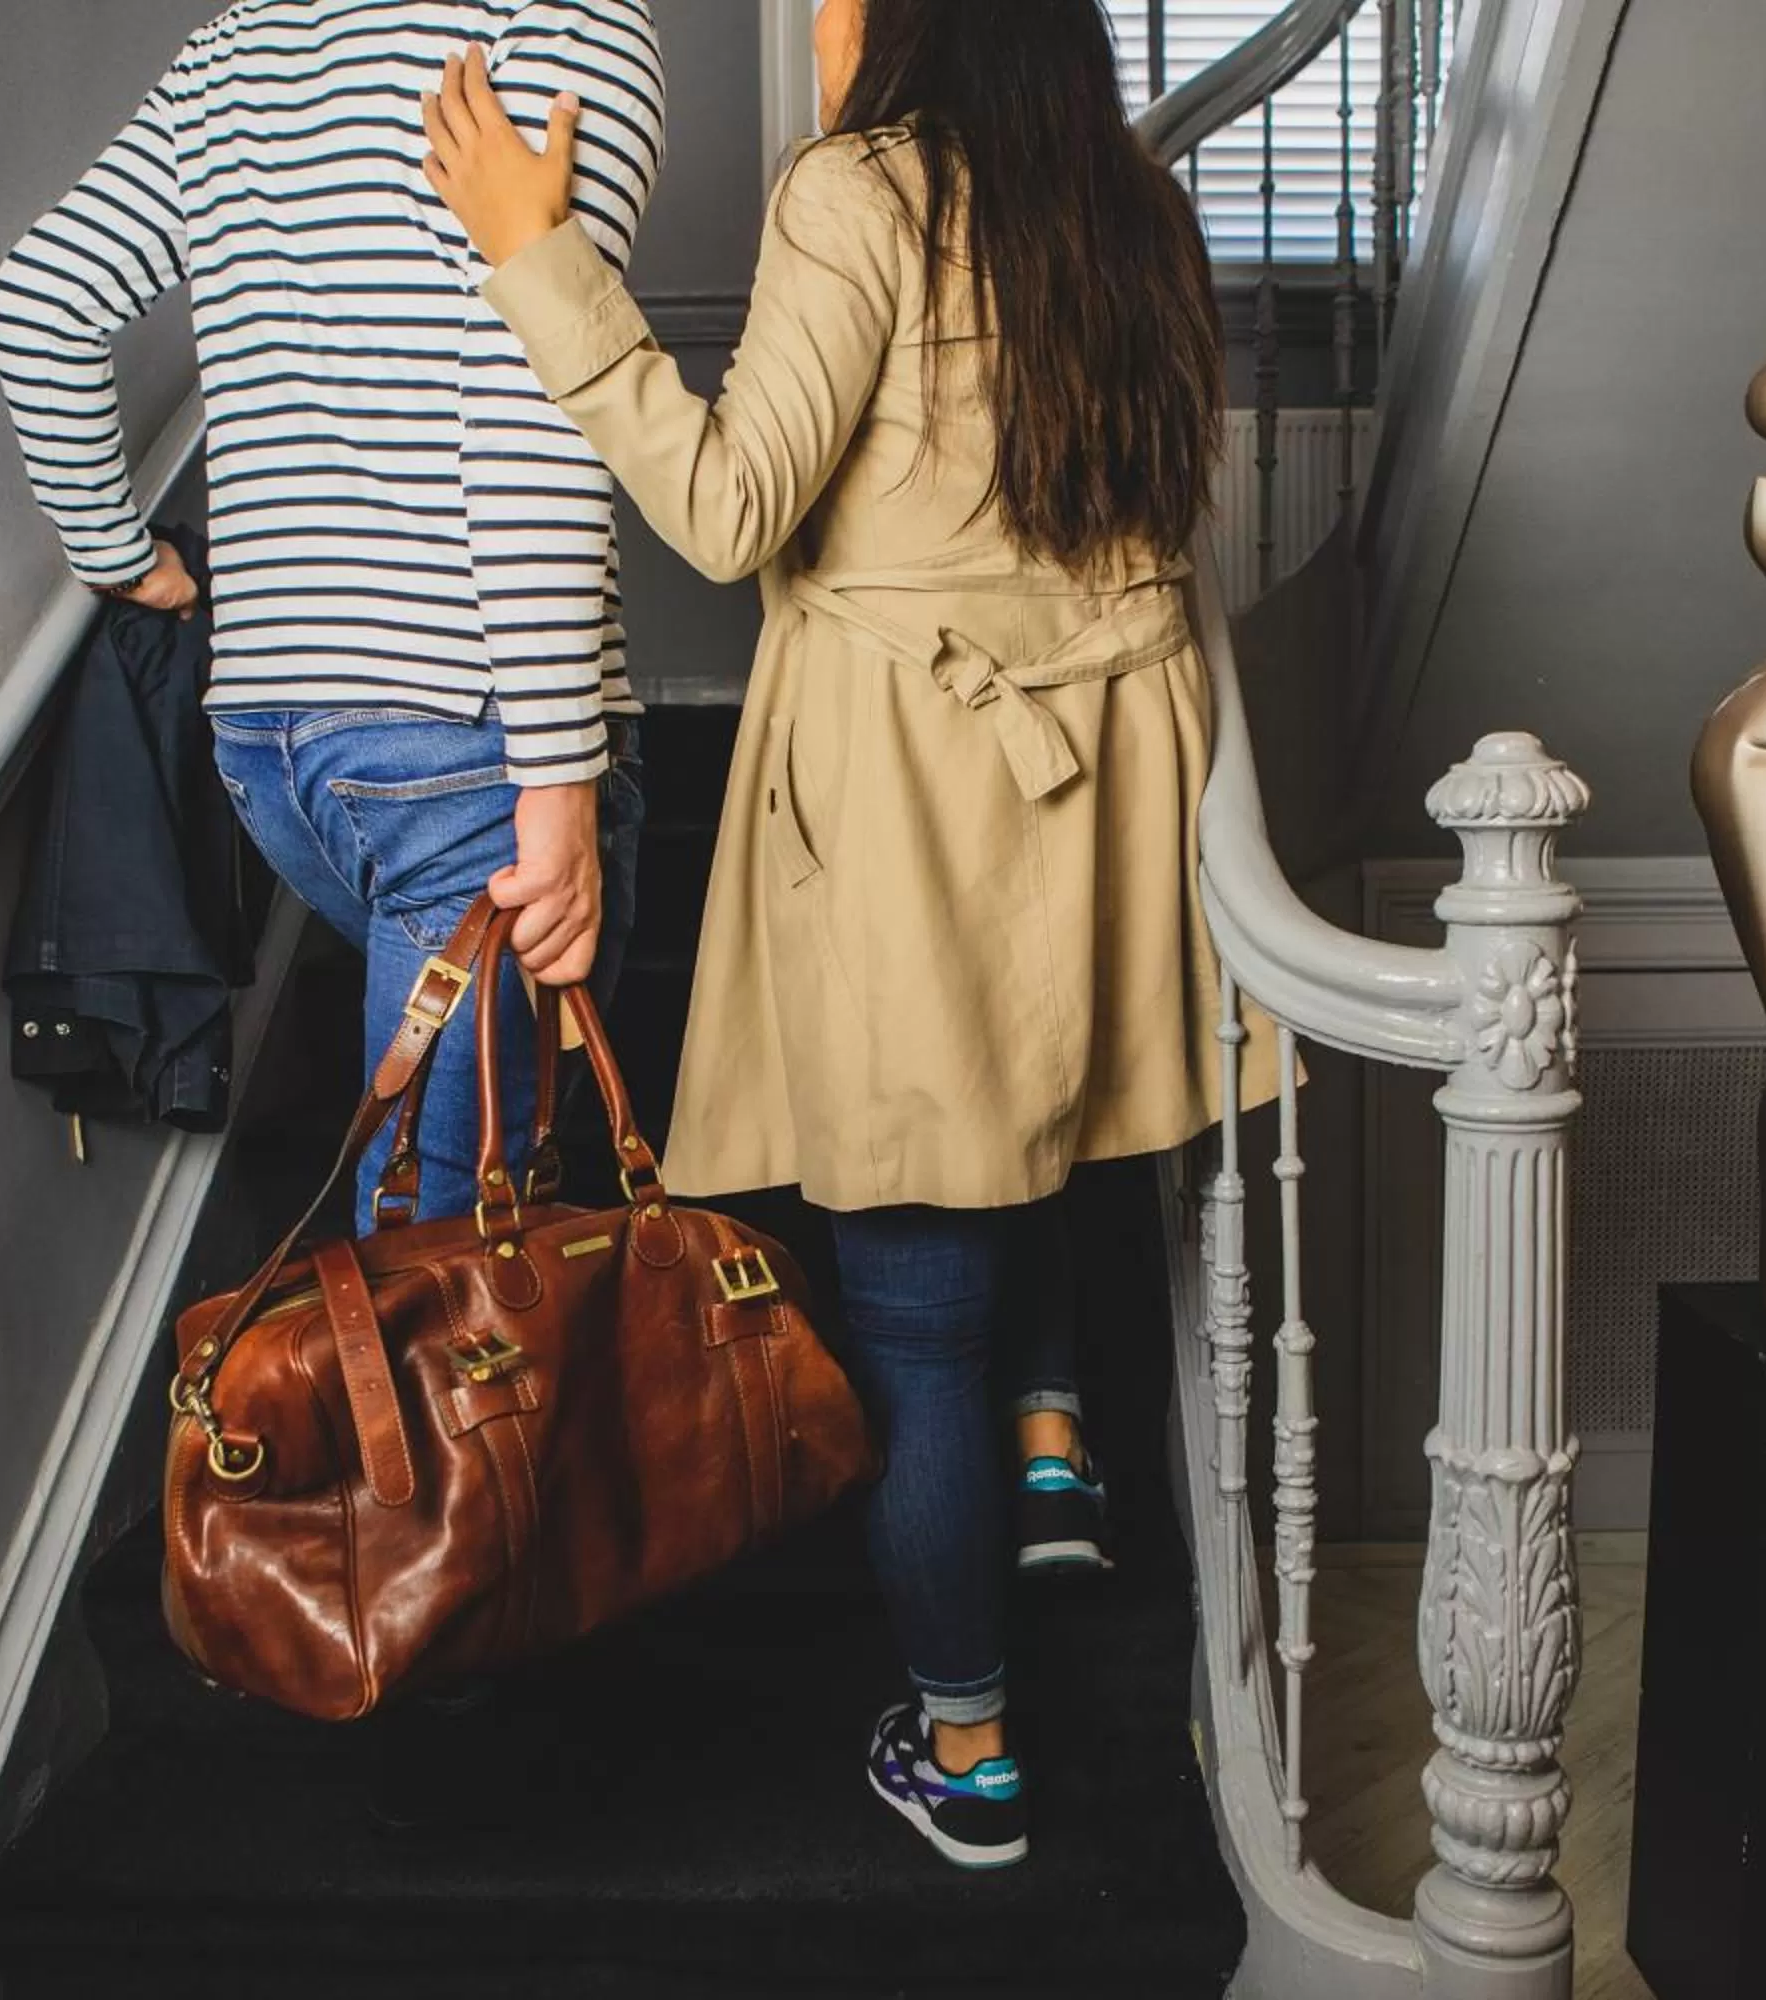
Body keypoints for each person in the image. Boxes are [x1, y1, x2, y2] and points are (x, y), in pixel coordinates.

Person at [423, 0, 1280, 1869]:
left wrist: (535, 254)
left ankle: (969, 1750)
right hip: (1102, 811)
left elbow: (728, 508)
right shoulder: (1130, 204)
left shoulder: (855, 194)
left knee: (910, 1304)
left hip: (915, 812)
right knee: (1041, 1126)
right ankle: (1053, 1442)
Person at [0, 0, 666, 1228]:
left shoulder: (238, 42)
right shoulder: (557, 27)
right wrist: (560, 773)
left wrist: (119, 559)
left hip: (270, 743)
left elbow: (41, 300)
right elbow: (537, 398)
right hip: (469, 739)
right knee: (444, 1243)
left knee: (458, 1211)